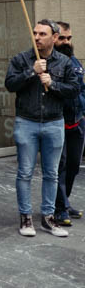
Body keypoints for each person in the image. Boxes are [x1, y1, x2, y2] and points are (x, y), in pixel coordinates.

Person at [5, 19, 79, 238]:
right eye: (35, 33)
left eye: (42, 34)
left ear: (54, 38)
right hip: (26, 122)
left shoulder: (64, 62)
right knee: (25, 172)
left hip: (54, 122)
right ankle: (25, 217)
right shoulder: (21, 59)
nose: (37, 37)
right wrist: (31, 72)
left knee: (52, 173)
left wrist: (53, 84)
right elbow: (10, 84)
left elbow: (74, 89)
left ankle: (48, 217)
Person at [53, 21, 85, 227]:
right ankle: (59, 207)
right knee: (60, 167)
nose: (66, 42)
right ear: (54, 38)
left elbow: (82, 88)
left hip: (78, 121)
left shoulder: (75, 62)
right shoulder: (50, 62)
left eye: (69, 38)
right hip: (58, 122)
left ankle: (65, 201)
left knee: (73, 166)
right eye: (62, 38)